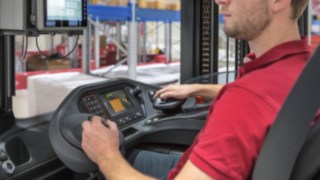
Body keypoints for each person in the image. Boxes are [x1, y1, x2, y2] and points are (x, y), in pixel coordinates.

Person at [81, 0, 311, 179]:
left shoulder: (245, 99)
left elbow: (250, 101)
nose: (219, 1)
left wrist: (106, 156)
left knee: (114, 161)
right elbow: (267, 100)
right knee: (134, 156)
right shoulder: (304, 69)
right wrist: (196, 88)